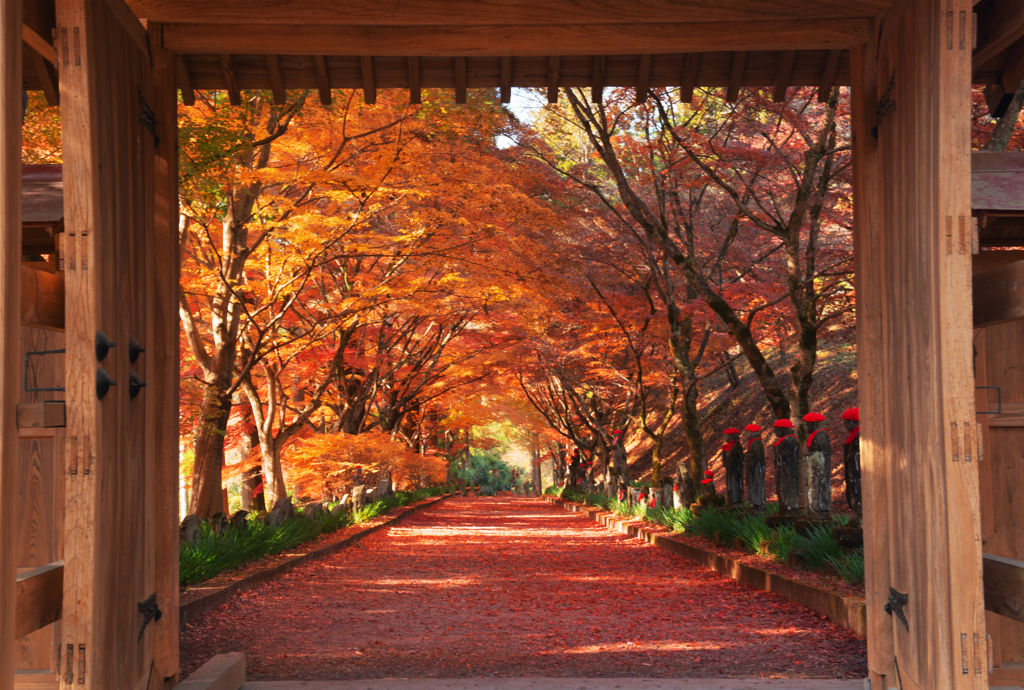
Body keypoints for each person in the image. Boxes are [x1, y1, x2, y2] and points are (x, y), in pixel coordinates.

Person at [802, 412, 830, 517]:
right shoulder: (815, 436)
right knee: (813, 490)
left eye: (806, 425)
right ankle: (814, 510)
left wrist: (808, 455)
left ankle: (820, 510)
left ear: (813, 424)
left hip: (819, 471)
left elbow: (822, 455)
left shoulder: (821, 436)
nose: (805, 427)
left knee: (818, 490)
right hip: (813, 470)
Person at [772, 419, 799, 514]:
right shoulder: (784, 441)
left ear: (783, 429)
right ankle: (784, 507)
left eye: (776, 429)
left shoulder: (789, 441)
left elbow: (790, 456)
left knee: (789, 488)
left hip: (789, 471)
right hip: (783, 470)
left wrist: (781, 453)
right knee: (782, 488)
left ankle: (791, 508)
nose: (774, 432)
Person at [841, 407, 862, 514]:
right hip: (852, 471)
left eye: (845, 422)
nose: (844, 425)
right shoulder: (854, 435)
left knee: (858, 493)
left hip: (858, 472)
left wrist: (851, 458)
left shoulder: (860, 435)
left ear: (853, 421)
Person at [743, 423, 766, 509]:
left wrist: (747, 455)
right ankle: (753, 503)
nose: (745, 435)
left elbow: (757, 456)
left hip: (756, 469)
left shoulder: (756, 444)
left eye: (746, 432)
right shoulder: (752, 443)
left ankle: (758, 503)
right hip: (752, 469)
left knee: (756, 485)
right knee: (752, 485)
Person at [722, 427, 744, 505]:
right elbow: (725, 459)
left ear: (731, 436)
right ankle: (731, 500)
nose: (724, 438)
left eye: (726, 436)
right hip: (729, 470)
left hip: (736, 470)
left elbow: (739, 459)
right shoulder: (726, 448)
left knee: (736, 484)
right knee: (729, 485)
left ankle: (736, 500)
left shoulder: (737, 447)